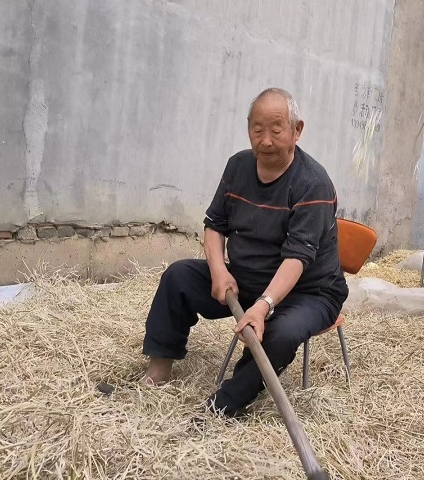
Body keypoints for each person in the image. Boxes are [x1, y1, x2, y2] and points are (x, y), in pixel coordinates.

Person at [140, 87, 347, 418]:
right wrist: (220, 271)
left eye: (276, 129)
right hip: (246, 278)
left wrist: (264, 306)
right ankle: (158, 370)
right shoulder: (237, 167)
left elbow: (297, 258)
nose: (265, 140)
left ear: (297, 130)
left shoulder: (313, 184)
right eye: (257, 129)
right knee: (178, 276)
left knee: (281, 334)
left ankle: (224, 405)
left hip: (309, 291)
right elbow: (214, 225)